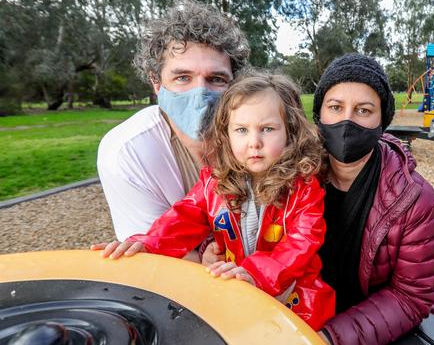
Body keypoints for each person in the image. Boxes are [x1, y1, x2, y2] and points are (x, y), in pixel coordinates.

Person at [91, 71, 336, 330]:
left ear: (291, 132)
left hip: (295, 300)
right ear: (226, 134)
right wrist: (148, 243)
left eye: (267, 129)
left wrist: (257, 273)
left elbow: (302, 241)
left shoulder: (303, 187)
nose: (254, 142)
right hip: (236, 290)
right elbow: (183, 217)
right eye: (241, 130)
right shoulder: (215, 181)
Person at [313, 54, 434, 344]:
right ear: (320, 114)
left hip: (382, 325)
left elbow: (410, 296)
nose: (347, 120)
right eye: (335, 107)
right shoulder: (290, 178)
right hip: (307, 311)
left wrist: (330, 338)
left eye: (364, 110)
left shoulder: (414, 197)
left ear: (382, 120)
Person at [97, 0, 249, 243]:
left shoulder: (256, 134)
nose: (200, 94)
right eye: (182, 77)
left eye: (217, 79)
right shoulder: (128, 151)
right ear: (156, 82)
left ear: (234, 84)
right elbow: (158, 254)